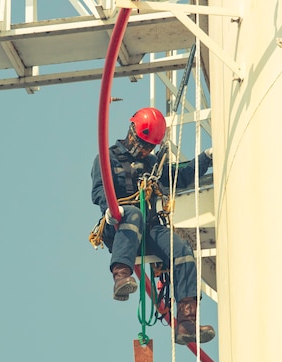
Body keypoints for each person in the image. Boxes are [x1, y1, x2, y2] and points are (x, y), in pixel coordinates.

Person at [91, 107, 216, 345]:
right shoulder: (107, 159)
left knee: (182, 252)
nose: (144, 150)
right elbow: (99, 191)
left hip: (147, 227)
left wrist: (206, 157)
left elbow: (180, 176)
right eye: (141, 144)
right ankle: (121, 277)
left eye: (148, 147)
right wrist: (109, 210)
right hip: (118, 225)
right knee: (133, 214)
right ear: (132, 133)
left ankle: (187, 322)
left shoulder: (153, 165)